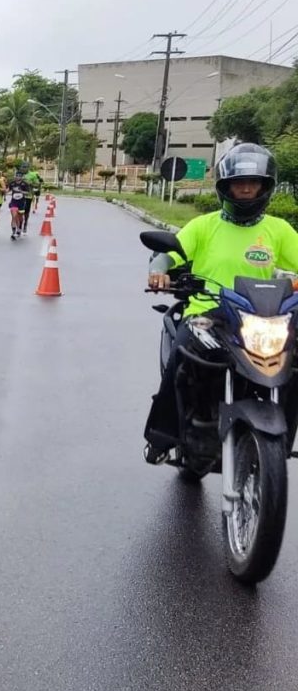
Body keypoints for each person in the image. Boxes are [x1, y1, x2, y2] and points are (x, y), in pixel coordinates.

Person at [143, 143, 298, 461]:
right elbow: (166, 256)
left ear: (264, 186)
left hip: (262, 317)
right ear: (225, 187)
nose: (245, 188)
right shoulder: (204, 225)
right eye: (238, 183)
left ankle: (282, 441)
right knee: (181, 353)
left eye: (253, 182)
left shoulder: (278, 230)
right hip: (208, 314)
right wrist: (158, 272)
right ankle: (162, 437)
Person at [8, 171, 32, 239]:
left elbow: (28, 192)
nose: (18, 177)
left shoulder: (24, 184)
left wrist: (21, 191)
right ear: (15, 176)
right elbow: (8, 190)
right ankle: (13, 232)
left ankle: (19, 228)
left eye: (19, 176)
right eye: (17, 176)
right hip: (14, 202)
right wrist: (3, 191)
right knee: (14, 216)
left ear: (21, 177)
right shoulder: (12, 183)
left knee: (20, 217)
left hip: (21, 202)